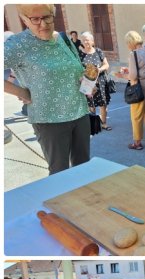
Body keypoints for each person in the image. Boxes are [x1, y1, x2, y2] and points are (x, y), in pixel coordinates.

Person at [3, 4, 91, 174]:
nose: (43, 24)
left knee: (84, 167)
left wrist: (86, 82)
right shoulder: (18, 44)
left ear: (53, 15)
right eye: (35, 19)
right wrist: (20, 92)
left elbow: (77, 70)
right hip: (50, 120)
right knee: (60, 171)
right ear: (24, 20)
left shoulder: (64, 39)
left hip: (80, 113)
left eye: (46, 17)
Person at [117, 30, 145, 150]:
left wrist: (122, 76)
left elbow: (133, 76)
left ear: (131, 42)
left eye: (127, 43)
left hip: (140, 87)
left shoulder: (133, 54)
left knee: (136, 115)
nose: (127, 45)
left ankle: (137, 142)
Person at [78, 32, 112, 131]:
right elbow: (78, 69)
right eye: (83, 40)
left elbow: (106, 65)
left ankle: (104, 123)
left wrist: (99, 70)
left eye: (87, 39)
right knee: (90, 105)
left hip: (100, 81)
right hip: (87, 82)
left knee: (103, 104)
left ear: (92, 41)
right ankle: (94, 126)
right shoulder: (80, 54)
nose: (85, 42)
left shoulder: (98, 51)